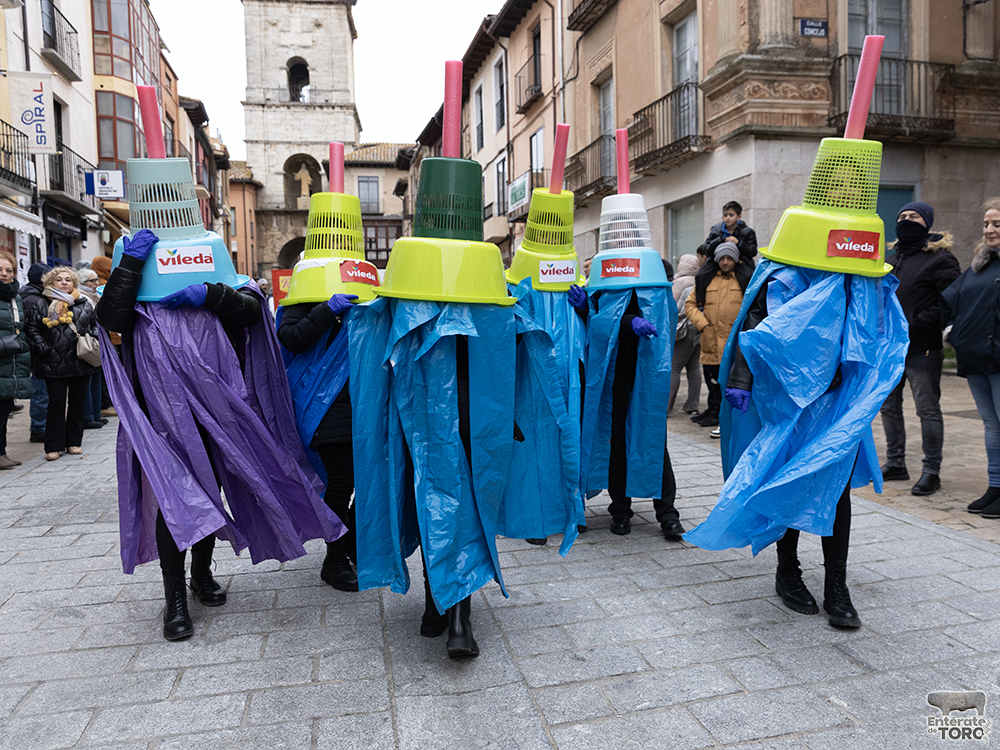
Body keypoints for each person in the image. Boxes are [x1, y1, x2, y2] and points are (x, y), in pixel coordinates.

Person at [98, 225, 344, 643]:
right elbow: (111, 318)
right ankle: (173, 595)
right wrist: (132, 264)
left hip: (219, 401)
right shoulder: (134, 263)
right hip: (160, 407)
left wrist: (212, 294)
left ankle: (201, 573)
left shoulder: (213, 253)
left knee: (211, 490)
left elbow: (252, 311)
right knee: (176, 496)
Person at [277, 291, 360, 592]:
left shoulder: (363, 289)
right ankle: (334, 559)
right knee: (341, 482)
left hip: (362, 402)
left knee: (361, 482)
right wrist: (327, 309)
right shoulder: (304, 295)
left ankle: (349, 542)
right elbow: (291, 338)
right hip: (323, 406)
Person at [879, 202, 960, 496]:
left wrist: (915, 322)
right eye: (901, 216)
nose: (905, 221)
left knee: (927, 409)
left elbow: (949, 300)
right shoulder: (891, 258)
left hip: (922, 347)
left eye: (913, 217)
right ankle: (896, 462)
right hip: (890, 348)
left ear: (927, 223)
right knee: (889, 407)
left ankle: (931, 471)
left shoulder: (940, 259)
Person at [943, 197, 1000, 517]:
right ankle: (995, 485)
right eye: (986, 224)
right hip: (978, 357)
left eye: (997, 224)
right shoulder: (980, 265)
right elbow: (952, 300)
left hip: (998, 356)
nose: (989, 230)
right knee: (991, 424)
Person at [25, 267, 97, 462]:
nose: (64, 282)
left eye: (68, 279)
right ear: (50, 283)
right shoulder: (41, 303)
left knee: (78, 403)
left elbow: (95, 326)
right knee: (56, 404)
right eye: (59, 279)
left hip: (80, 360)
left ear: (74, 283)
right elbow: (32, 327)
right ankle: (54, 445)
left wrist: (93, 339)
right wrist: (42, 346)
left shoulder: (83, 303)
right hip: (53, 361)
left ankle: (74, 442)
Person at [685, 242, 745, 428]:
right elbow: (690, 305)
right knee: (712, 381)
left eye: (729, 258)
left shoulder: (742, 280)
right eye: (722, 259)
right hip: (710, 340)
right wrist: (703, 325)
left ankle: (726, 417)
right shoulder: (707, 280)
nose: (725, 262)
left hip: (732, 341)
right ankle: (714, 412)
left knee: (731, 382)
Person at [693, 201, 757, 309]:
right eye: (725, 215)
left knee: (748, 277)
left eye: (731, 215)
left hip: (740, 262)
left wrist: (738, 243)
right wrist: (720, 240)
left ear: (739, 216)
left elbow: (752, 251)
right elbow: (707, 248)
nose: (727, 218)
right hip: (717, 261)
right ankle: (700, 302)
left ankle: (749, 305)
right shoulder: (716, 230)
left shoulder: (748, 232)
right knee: (701, 275)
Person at [0, 251, 30, 468]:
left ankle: (1, 452)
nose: (4, 274)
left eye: (8, 270)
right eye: (0, 270)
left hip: (11, 360)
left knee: (5, 409)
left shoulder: (15, 297)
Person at [669, 253, 702, 416]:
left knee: (674, 368)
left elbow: (672, 306)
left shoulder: (681, 282)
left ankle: (666, 408)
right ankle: (692, 405)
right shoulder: (700, 281)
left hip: (683, 331)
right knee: (694, 368)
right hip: (697, 329)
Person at [20, 263, 48, 443]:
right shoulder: (32, 299)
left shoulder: (29, 295)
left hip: (35, 351)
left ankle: (41, 426)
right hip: (37, 352)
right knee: (41, 390)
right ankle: (39, 428)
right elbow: (34, 329)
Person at [77, 268, 107, 431]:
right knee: (88, 381)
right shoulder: (83, 297)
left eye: (97, 280)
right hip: (87, 341)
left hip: (95, 339)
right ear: (83, 283)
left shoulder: (94, 295)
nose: (96, 283)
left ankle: (95, 414)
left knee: (95, 379)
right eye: (92, 281)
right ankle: (89, 416)